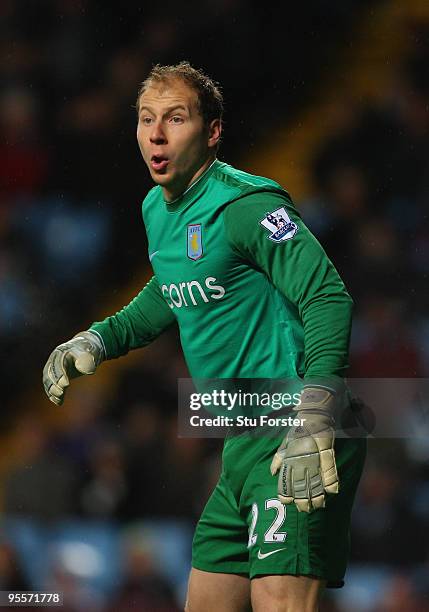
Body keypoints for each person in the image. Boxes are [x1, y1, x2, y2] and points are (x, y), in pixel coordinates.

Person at [43, 62, 366, 612]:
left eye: (175, 118)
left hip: (296, 429)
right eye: (146, 119)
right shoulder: (157, 209)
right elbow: (169, 290)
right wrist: (98, 340)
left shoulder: (247, 207)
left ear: (212, 131)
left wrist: (317, 413)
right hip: (242, 444)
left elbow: (328, 295)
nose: (157, 134)